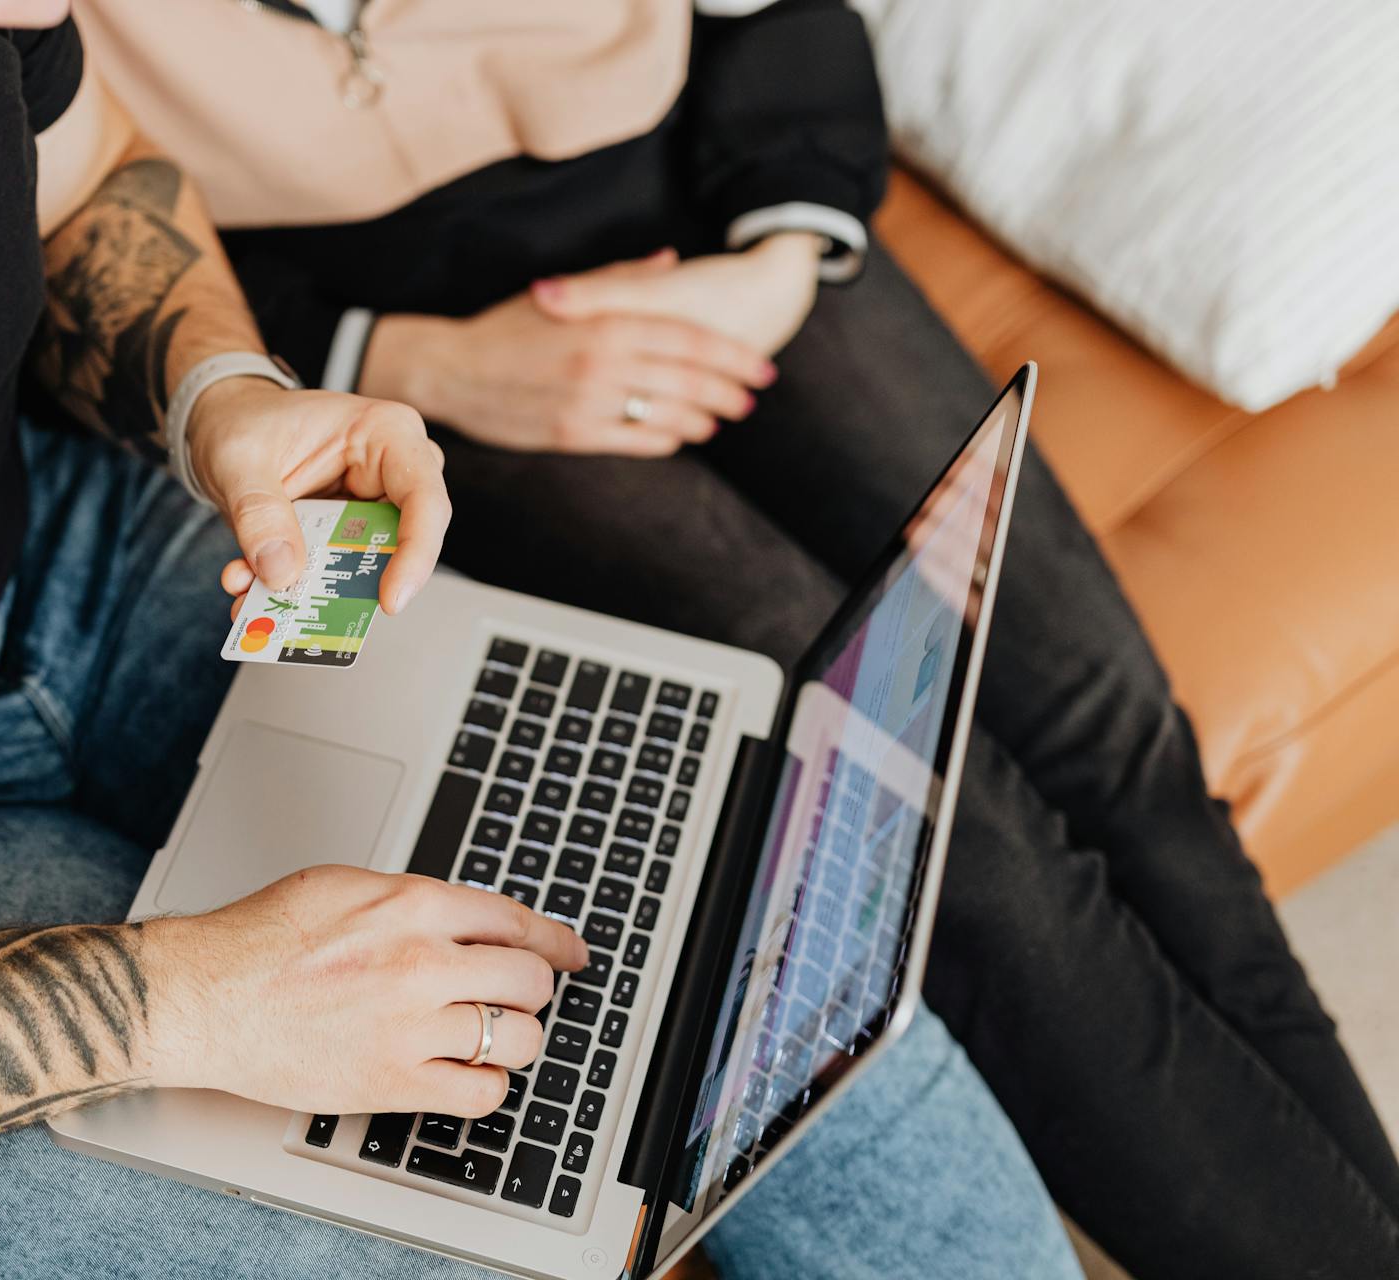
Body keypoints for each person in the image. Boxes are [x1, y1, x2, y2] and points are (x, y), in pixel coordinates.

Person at [0, 3, 1088, 1278]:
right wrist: (200, 1003)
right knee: (463, 1241)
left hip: (91, 540)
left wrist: (224, 399)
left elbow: (90, 163)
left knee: (757, 959)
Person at [72, 1, 1399, 1276]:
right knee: (934, 827)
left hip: (720, 216)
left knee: (1114, 729)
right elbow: (64, 239)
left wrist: (779, 258)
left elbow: (784, 17)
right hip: (414, 359)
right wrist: (399, 357)